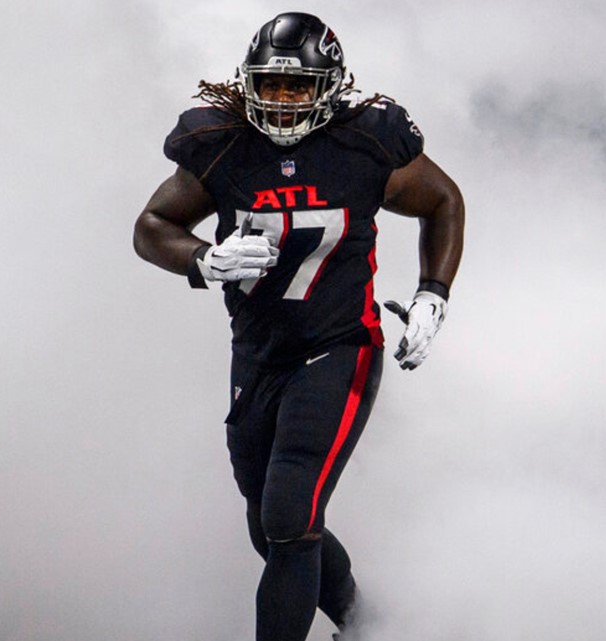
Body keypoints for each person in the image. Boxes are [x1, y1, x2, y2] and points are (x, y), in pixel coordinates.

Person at [133, 12, 464, 641]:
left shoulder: (365, 143)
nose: (283, 102)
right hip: (259, 354)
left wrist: (433, 295)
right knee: (269, 525)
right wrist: (201, 259)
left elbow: (442, 199)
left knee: (290, 517)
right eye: (272, 85)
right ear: (249, 81)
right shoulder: (224, 145)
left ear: (329, 86)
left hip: (339, 346)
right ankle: (370, 625)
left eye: (298, 87)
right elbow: (151, 226)